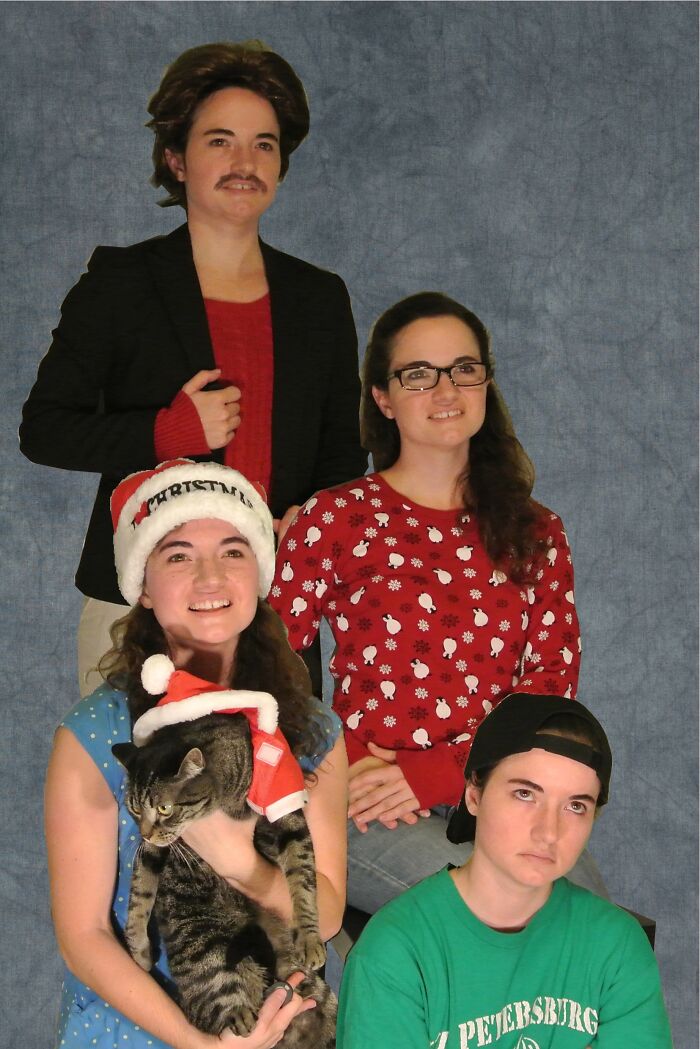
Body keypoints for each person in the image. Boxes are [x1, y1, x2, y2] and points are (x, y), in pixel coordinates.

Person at [20, 41, 366, 696]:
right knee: (132, 765)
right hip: (138, 601)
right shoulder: (122, 283)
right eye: (220, 141)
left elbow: (342, 456)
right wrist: (165, 433)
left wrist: (315, 519)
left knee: (277, 766)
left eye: (264, 145)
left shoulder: (319, 298)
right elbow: (44, 430)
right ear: (176, 159)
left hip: (274, 602)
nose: (245, 162)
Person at [269, 291, 606, 914]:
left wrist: (442, 773)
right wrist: (330, 767)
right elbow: (265, 667)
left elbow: (550, 687)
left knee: (592, 928)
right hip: (370, 800)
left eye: (463, 369)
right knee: (518, 911)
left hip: (506, 793)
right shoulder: (335, 518)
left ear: (485, 383)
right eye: (418, 374)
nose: (445, 390)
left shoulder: (537, 531)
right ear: (383, 398)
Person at [44, 459, 348, 1049]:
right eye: (179, 556)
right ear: (144, 588)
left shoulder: (312, 732)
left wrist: (240, 863)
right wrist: (201, 1045)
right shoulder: (94, 735)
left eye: (233, 552)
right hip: (131, 1029)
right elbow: (83, 937)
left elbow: (327, 913)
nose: (211, 578)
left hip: (271, 1020)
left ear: (259, 574)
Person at [337, 693, 673, 1049]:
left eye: (575, 806)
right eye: (525, 794)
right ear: (474, 795)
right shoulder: (395, 953)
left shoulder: (616, 946)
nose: (548, 832)